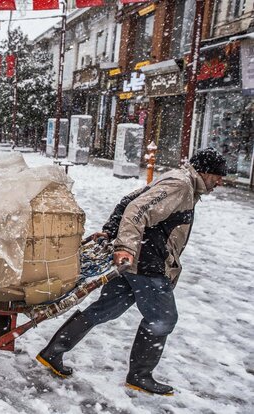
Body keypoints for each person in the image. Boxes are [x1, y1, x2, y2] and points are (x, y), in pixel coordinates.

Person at [36, 148, 227, 396]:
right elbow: (137, 209)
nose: (220, 182)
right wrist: (125, 246)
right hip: (147, 265)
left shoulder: (180, 181)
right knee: (162, 319)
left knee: (103, 310)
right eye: (218, 176)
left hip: (135, 261)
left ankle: (53, 353)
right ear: (204, 171)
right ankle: (140, 375)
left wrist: (111, 231)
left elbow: (129, 201)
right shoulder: (180, 186)